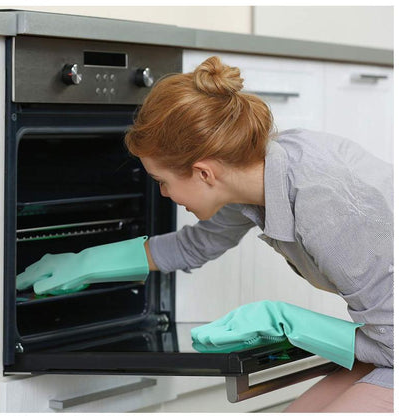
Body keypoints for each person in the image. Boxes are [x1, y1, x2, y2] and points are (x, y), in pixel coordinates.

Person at [124, 56, 393, 412]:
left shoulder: (324, 206)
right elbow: (196, 245)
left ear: (204, 173)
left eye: (163, 182)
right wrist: (85, 263)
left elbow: (391, 345)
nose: (164, 195)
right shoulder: (253, 174)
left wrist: (286, 322)